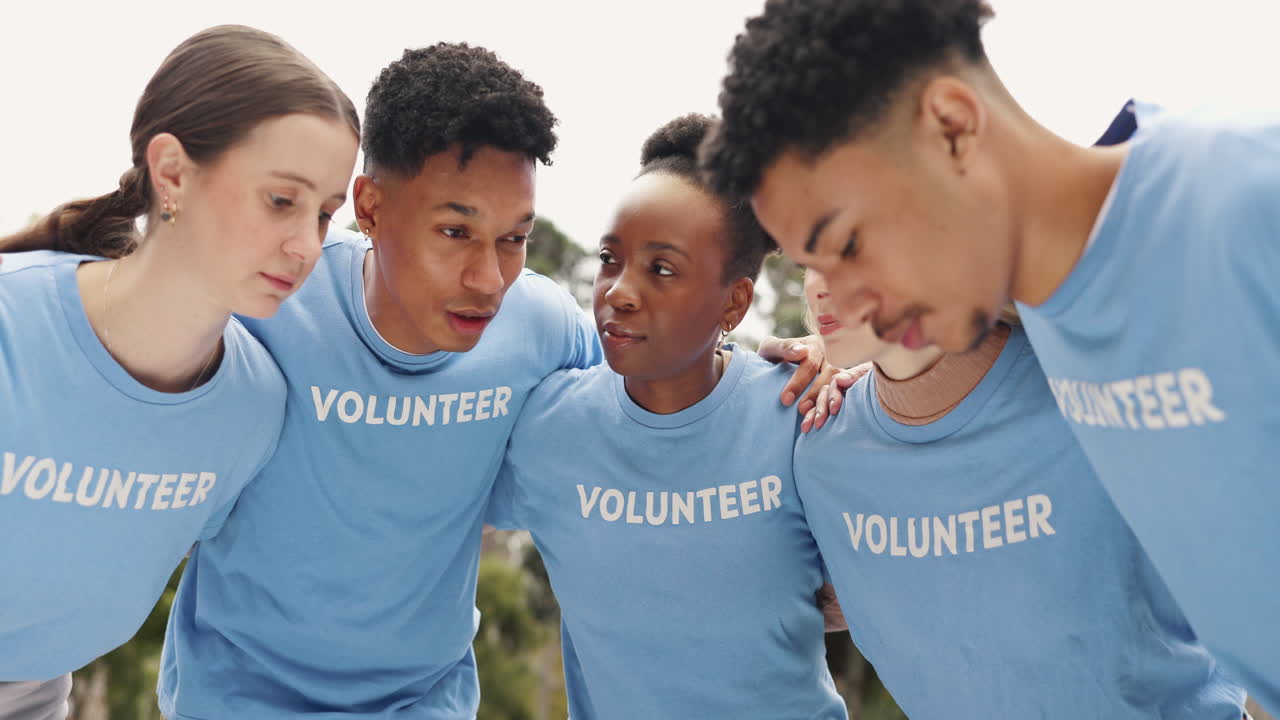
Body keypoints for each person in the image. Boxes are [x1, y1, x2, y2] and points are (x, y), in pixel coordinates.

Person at [158, 46, 834, 719]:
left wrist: (829, 361)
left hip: (422, 702)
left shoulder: (540, 329)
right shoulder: (269, 307)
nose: (488, 280)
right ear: (370, 206)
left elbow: (662, 410)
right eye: (456, 230)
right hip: (236, 697)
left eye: (514, 239)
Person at [702, 0, 1280, 709]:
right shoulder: (1052, 317)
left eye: (850, 243)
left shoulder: (1245, 195)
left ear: (951, 125)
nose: (847, 303)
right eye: (814, 266)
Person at [0, 24, 359, 720]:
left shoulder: (254, 408)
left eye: (325, 214)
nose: (307, 244)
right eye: (282, 201)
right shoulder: (11, 328)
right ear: (171, 172)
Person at [485, 114, 846, 719]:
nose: (619, 291)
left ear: (733, 301)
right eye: (610, 258)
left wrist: (849, 367)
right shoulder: (546, 429)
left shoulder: (802, 413)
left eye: (662, 269)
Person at [795, 271, 1247, 719]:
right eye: (805, 261)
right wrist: (770, 372)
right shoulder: (820, 450)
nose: (818, 283)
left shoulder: (1090, 388)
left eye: (843, 246)